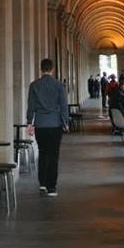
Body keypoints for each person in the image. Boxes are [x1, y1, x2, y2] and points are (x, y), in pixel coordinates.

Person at [26, 58, 69, 197]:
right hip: (55, 124)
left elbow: (31, 106)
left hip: (40, 124)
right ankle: (51, 187)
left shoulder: (34, 85)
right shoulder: (59, 85)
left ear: (41, 69)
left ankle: (42, 183)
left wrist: (29, 123)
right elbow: (63, 105)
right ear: (52, 69)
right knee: (53, 155)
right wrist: (66, 122)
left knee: (43, 153)